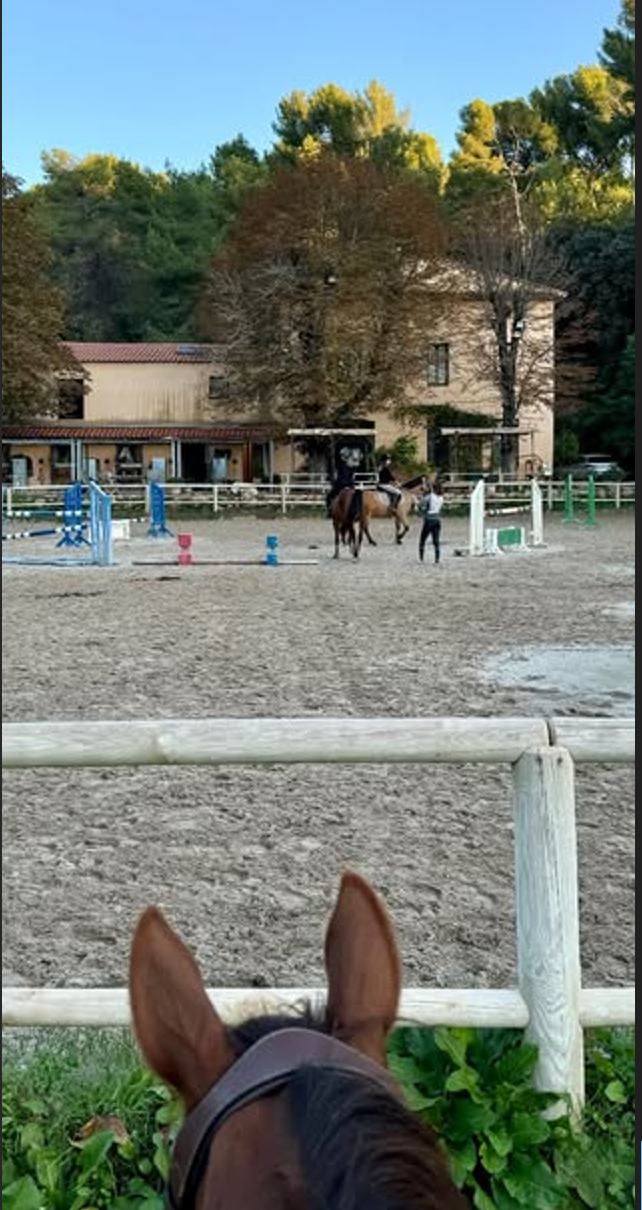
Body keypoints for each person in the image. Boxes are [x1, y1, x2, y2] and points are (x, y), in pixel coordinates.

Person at [417, 478, 445, 564]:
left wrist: (418, 502)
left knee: (422, 540)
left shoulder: (429, 496)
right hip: (437, 520)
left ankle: (421, 559)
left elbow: (421, 505)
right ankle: (437, 559)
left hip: (429, 520)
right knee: (436, 541)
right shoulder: (441, 498)